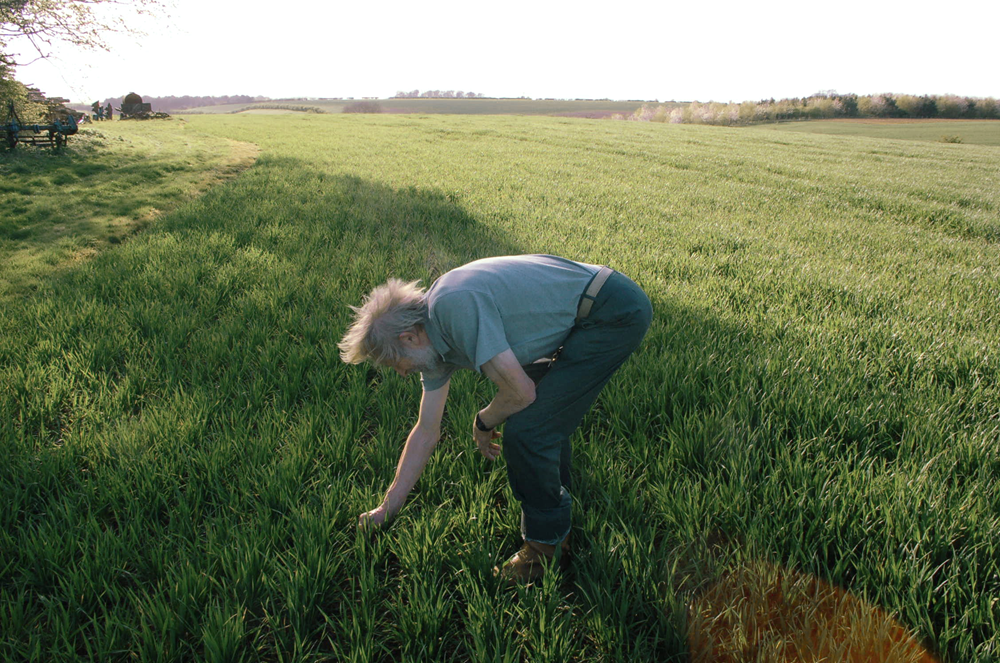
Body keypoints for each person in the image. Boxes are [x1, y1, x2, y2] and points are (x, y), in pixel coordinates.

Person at [339, 254, 652, 582]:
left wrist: (484, 421)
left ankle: (546, 552)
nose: (402, 373)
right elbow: (426, 430)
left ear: (409, 338)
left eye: (396, 364)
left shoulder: (452, 307)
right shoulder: (433, 342)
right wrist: (387, 506)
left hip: (611, 311)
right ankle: (558, 499)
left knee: (528, 431)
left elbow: (521, 393)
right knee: (540, 420)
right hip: (576, 317)